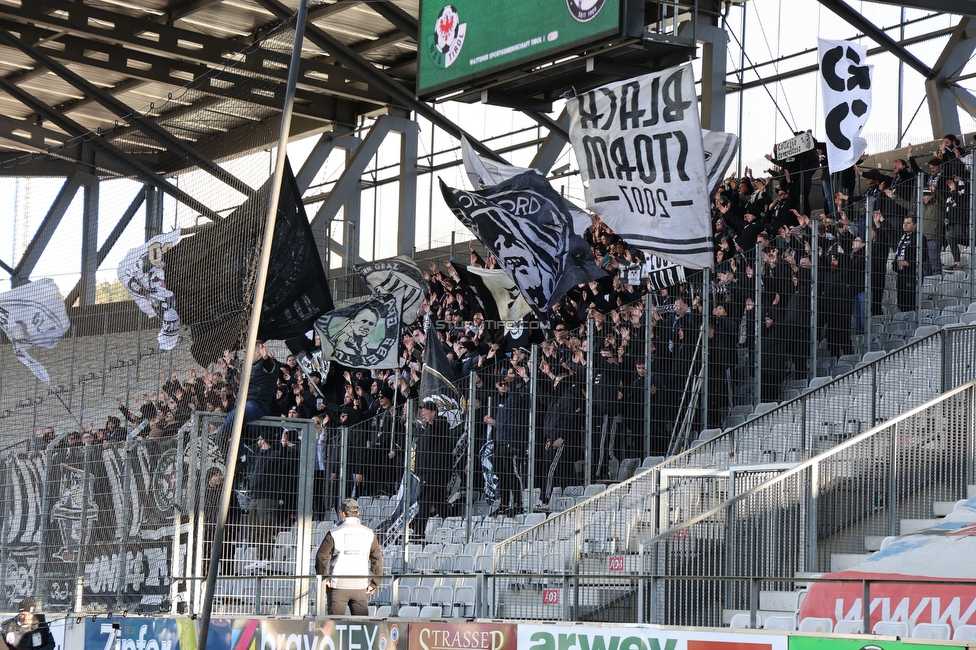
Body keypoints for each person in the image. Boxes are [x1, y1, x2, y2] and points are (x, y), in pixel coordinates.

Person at [315, 498, 383, 616]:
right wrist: (374, 583)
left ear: (343, 514)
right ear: (358, 513)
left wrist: (324, 578)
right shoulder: (369, 533)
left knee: (335, 627)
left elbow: (321, 556)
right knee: (362, 627)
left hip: (338, 586)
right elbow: (377, 559)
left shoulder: (334, 532)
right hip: (360, 586)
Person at [216, 341, 280, 446]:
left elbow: (269, 366)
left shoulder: (268, 364)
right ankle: (241, 456)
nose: (247, 355)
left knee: (236, 416)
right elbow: (241, 364)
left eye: (249, 352)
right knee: (235, 421)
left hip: (257, 405)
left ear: (258, 352)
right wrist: (229, 360)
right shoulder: (252, 365)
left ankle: (219, 439)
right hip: (250, 402)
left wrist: (266, 358)